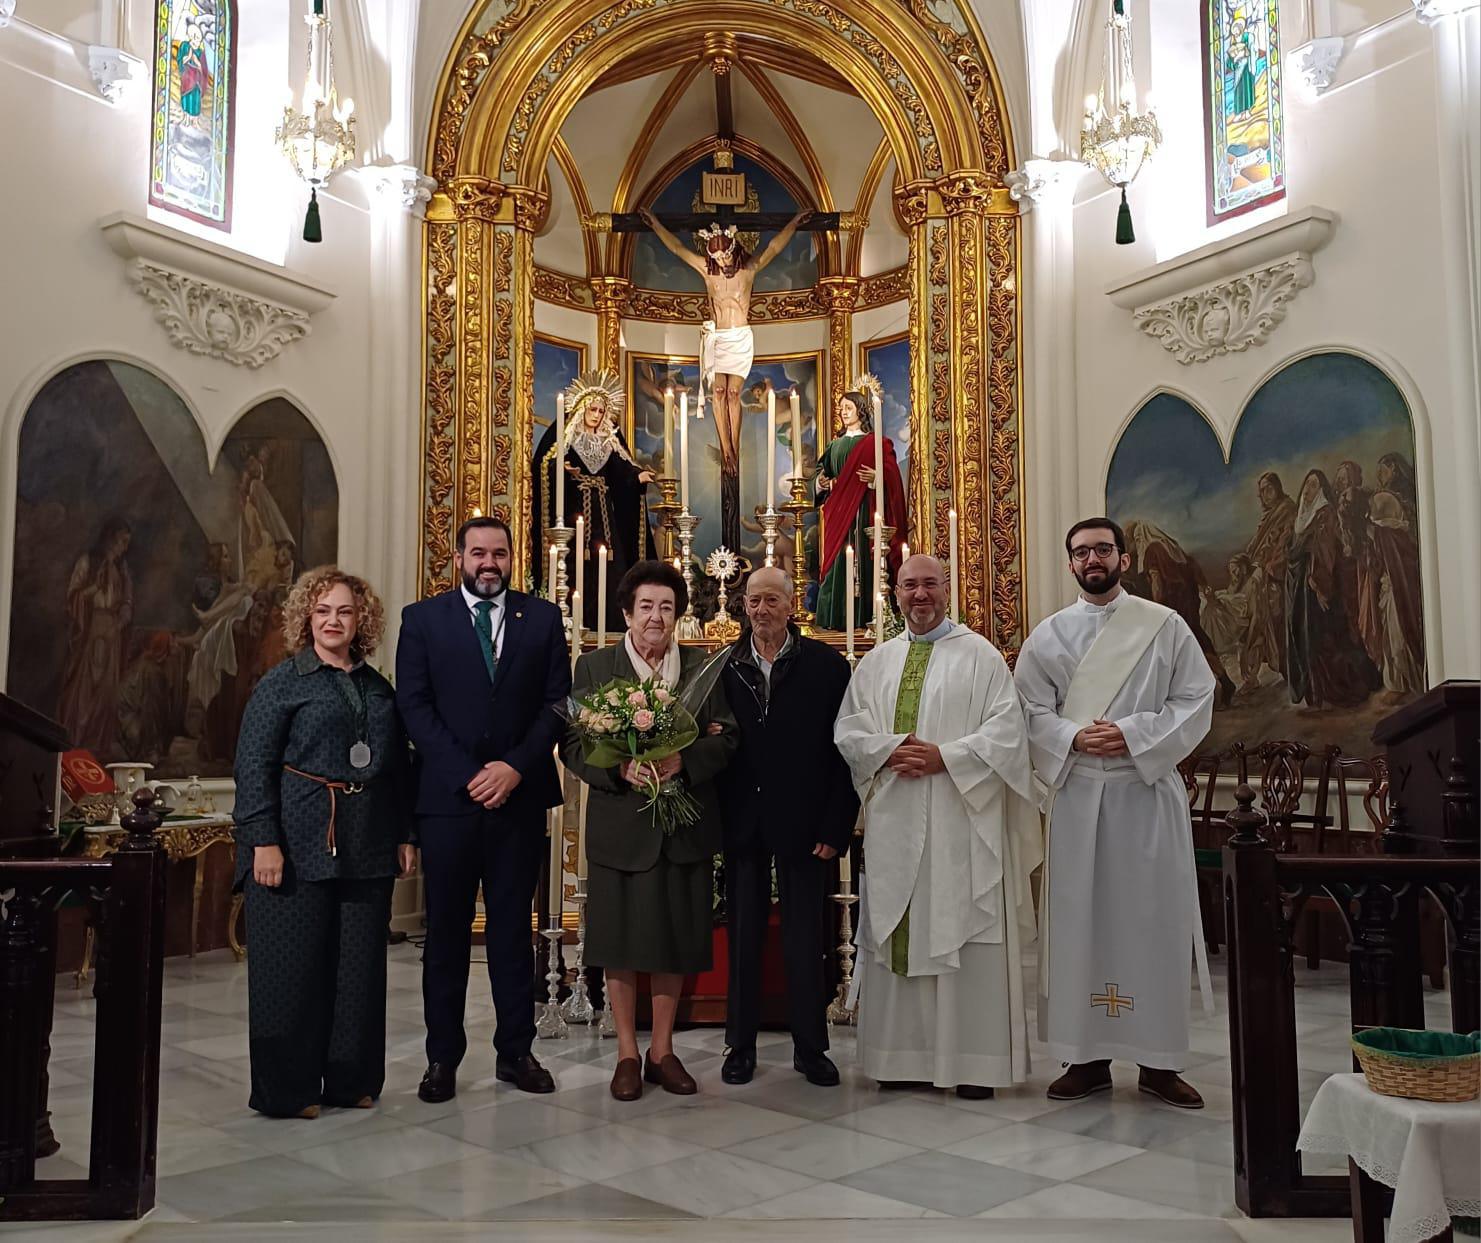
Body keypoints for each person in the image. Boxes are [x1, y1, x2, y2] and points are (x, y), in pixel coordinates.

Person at [1014, 519, 1214, 1109]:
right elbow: (1027, 710)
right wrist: (1073, 737)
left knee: (1153, 923)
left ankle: (1159, 1062)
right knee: (1080, 924)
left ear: (1123, 559)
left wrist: (1131, 733)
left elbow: (1196, 698)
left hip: (1144, 795)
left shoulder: (1164, 625)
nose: (1092, 559)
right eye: (1081, 552)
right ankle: (1084, 1057)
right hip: (1079, 796)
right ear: (1070, 564)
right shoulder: (1049, 636)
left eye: (1103, 549)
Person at [835, 555, 1042, 1099]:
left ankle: (974, 1065)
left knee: (965, 929)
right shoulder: (877, 662)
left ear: (947, 590)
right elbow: (850, 732)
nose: (920, 594)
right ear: (896, 594)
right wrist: (889, 750)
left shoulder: (981, 656)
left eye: (929, 584)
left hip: (961, 821)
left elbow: (1008, 733)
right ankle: (900, 1060)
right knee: (899, 927)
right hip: (895, 823)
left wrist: (946, 757)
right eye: (910, 585)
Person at [396, 516, 569, 1102]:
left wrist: (514, 767)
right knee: (445, 935)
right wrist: (469, 774)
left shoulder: (541, 618)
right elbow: (414, 707)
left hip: (519, 800)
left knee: (512, 934)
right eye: (478, 553)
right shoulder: (422, 620)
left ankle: (516, 1052)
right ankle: (441, 1058)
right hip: (449, 803)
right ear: (459, 559)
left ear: (512, 558)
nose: (488, 563)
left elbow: (557, 704)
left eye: (499, 553)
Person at [233, 567, 416, 1118]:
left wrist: (405, 834)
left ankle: (349, 1081)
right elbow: (253, 766)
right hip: (294, 845)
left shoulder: (378, 688)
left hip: (369, 844)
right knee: (290, 972)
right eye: (322, 611)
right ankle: (288, 1091)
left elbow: (399, 771)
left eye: (344, 611)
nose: (333, 620)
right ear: (306, 618)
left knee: (358, 971)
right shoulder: (281, 684)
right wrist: (263, 841)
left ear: (362, 620)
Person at [560, 561, 737, 1101]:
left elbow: (729, 738)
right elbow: (574, 743)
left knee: (673, 940)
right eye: (646, 606)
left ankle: (662, 1050)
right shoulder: (596, 667)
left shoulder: (702, 668)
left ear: (678, 614)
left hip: (682, 828)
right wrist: (618, 769)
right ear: (626, 613)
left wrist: (685, 760)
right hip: (620, 830)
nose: (655, 617)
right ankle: (626, 1054)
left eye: (666, 607)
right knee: (619, 942)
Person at [717, 567, 858, 1087]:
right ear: (743, 606)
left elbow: (846, 752)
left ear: (792, 603)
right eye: (754, 601)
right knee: (743, 939)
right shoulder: (723, 665)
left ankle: (811, 1047)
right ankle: (740, 1046)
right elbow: (712, 744)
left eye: (772, 600)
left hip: (805, 822)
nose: (762, 610)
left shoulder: (827, 666)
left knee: (805, 939)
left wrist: (836, 824)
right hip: (743, 822)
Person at [640, 206, 806, 550]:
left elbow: (774, 247)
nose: (721, 259)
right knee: (718, 392)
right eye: (715, 254)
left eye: (724, 253)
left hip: (740, 336)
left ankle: (733, 445)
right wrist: (655, 223)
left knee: (733, 394)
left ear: (733, 247)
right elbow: (677, 249)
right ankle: (726, 447)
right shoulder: (707, 271)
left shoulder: (748, 270)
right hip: (717, 337)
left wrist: (793, 222)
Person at [531, 369, 657, 626]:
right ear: (581, 409)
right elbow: (545, 464)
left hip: (603, 515)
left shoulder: (608, 441)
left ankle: (610, 622)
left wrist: (637, 477)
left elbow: (621, 470)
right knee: (574, 562)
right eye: (593, 410)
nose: (597, 415)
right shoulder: (567, 438)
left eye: (601, 411)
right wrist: (561, 469)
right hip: (573, 511)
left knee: (610, 563)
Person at [814, 380, 907, 631]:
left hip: (866, 510)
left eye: (848, 408)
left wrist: (877, 477)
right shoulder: (834, 445)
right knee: (836, 561)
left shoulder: (876, 443)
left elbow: (892, 476)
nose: (843, 412)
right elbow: (822, 474)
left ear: (860, 410)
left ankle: (869, 615)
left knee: (866, 559)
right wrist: (820, 483)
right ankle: (835, 618)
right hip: (838, 513)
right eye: (841, 408)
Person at [1285, 470, 1380, 710]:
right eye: (1306, 484)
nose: (1308, 490)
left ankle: (1331, 691)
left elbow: (1326, 552)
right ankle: (1314, 692)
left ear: (1321, 490)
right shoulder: (1300, 518)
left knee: (1322, 640)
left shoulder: (1324, 514)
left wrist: (1319, 585)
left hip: (1319, 588)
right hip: (1301, 591)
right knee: (1306, 637)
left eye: (1314, 485)